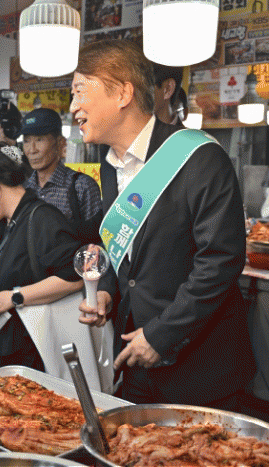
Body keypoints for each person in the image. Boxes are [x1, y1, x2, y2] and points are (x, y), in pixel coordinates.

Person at [73, 40, 255, 409]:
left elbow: (220, 261)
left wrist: (161, 335)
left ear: (123, 93)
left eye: (79, 91)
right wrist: (106, 292)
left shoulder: (199, 156)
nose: (73, 107)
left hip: (201, 369)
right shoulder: (108, 165)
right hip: (135, 362)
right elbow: (122, 248)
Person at [0, 145, 83, 368]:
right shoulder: (5, 224)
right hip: (11, 352)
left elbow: (75, 277)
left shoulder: (43, 219)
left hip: (39, 356)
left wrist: (15, 297)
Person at [22, 108, 103, 244]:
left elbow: (97, 242)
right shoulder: (24, 190)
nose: (32, 150)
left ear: (61, 143)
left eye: (40, 140)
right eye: (26, 141)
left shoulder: (81, 187)